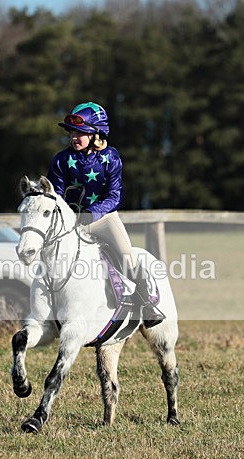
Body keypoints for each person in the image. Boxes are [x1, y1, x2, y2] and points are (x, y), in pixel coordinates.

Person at [46, 101, 164, 327]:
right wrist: (68, 218)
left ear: (96, 134)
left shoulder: (111, 157)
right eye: (72, 132)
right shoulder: (61, 160)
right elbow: (56, 196)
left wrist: (91, 213)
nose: (74, 137)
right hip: (71, 223)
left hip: (104, 218)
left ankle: (147, 304)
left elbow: (115, 196)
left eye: (81, 132)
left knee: (127, 255)